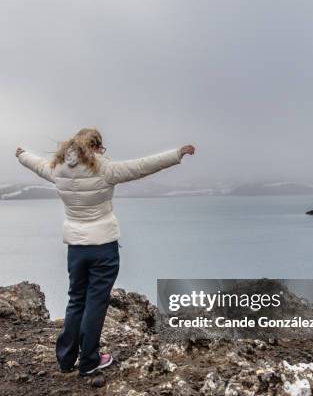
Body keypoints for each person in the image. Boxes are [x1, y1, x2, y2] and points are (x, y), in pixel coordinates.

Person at [15, 128, 195, 376]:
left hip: (76, 249)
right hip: (103, 248)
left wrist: (22, 155)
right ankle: (89, 362)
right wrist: (176, 154)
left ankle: (66, 360)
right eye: (102, 148)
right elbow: (142, 166)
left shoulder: (58, 169)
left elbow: (37, 165)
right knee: (96, 302)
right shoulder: (104, 169)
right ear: (96, 147)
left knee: (76, 299)